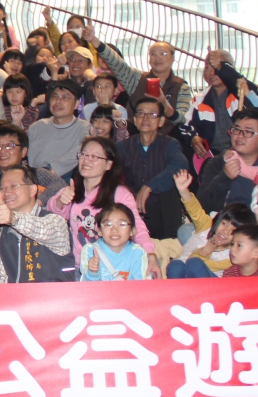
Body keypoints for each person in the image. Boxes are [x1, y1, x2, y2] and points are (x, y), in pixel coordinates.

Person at [49, 136, 160, 278]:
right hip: (80, 267)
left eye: (94, 156)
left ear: (108, 165)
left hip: (113, 268)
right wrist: (60, 201)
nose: (86, 160)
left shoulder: (119, 193)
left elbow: (136, 225)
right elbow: (52, 216)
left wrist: (150, 254)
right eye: (84, 154)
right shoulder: (72, 189)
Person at [83, 24, 192, 134]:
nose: (157, 58)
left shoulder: (181, 86)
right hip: (134, 137)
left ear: (173, 58)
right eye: (153, 54)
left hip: (168, 138)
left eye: (163, 54)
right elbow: (117, 63)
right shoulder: (137, 79)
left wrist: (165, 106)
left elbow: (183, 120)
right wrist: (94, 40)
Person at [0, 123, 66, 234]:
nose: (3, 151)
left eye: (9, 146)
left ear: (24, 151)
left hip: (28, 229)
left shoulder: (35, 173)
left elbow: (60, 184)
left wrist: (41, 199)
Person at [118, 97, 189, 241]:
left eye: (152, 114)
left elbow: (181, 164)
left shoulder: (170, 144)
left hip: (163, 210)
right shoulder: (124, 146)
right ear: (135, 120)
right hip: (133, 208)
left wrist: (150, 186)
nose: (145, 118)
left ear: (161, 121)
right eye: (141, 114)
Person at [0, 164, 73, 283]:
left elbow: (42, 229)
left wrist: (14, 219)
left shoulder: (55, 221)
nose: (6, 192)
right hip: (18, 295)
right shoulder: (4, 235)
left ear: (33, 190)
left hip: (54, 294)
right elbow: (3, 279)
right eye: (2, 188)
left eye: (14, 186)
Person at [196, 108, 258, 218]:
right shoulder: (218, 162)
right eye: (236, 129)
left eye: (248, 132)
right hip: (221, 223)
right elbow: (201, 206)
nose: (240, 135)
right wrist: (224, 177)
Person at [26, 79, 92, 179]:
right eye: (54, 96)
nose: (58, 101)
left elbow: (87, 149)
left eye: (65, 97)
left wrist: (55, 168)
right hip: (32, 178)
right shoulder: (37, 126)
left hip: (64, 181)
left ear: (76, 104)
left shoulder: (85, 129)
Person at [187, 49, 243, 158]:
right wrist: (194, 138)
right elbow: (186, 126)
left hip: (241, 154)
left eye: (216, 67)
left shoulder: (241, 94)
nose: (212, 73)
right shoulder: (199, 99)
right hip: (211, 156)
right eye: (208, 67)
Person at [80, 203, 148, 281]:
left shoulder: (138, 253)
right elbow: (85, 286)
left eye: (122, 224)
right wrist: (92, 272)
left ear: (132, 231)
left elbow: (141, 285)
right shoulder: (90, 250)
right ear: (99, 231)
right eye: (108, 224)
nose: (114, 229)